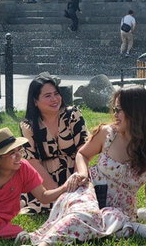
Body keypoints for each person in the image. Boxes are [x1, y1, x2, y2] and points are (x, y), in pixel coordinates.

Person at [26, 86, 146, 245]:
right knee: (84, 214)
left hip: (119, 208)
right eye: (115, 109)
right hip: (87, 191)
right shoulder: (108, 133)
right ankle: (45, 243)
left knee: (111, 218)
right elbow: (82, 154)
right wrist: (82, 173)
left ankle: (136, 228)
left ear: (136, 112)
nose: (115, 114)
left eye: (120, 110)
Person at [19, 72, 88, 215]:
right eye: (47, 96)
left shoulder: (72, 115)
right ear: (35, 101)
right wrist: (59, 193)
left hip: (76, 172)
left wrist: (75, 182)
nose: (54, 99)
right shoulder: (28, 126)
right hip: (45, 180)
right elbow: (33, 162)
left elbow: (83, 150)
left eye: (56, 93)